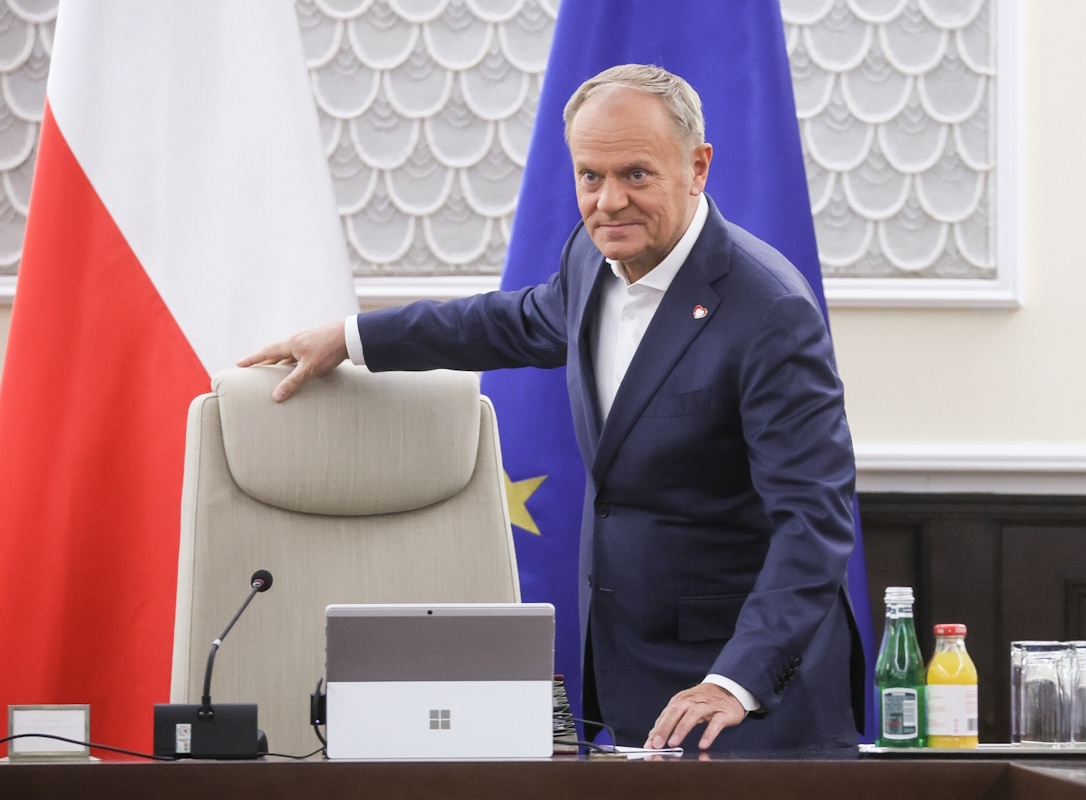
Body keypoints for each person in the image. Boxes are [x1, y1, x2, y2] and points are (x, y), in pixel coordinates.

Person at [240, 64, 862, 752]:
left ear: (697, 167)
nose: (609, 202)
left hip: (744, 699)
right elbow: (509, 322)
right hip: (629, 671)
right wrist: (351, 338)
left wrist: (735, 682)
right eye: (590, 176)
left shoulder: (770, 311)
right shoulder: (591, 259)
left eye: (636, 174)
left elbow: (813, 522)